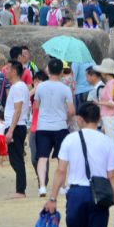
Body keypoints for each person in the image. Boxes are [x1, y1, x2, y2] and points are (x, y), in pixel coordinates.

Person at [44, 103, 114, 227]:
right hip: (100, 194)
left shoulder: (70, 139)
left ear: (80, 119)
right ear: (99, 119)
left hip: (76, 193)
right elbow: (113, 177)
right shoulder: (106, 141)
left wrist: (52, 198)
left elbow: (60, 171)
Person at [35, 58, 75, 196]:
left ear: (49, 70)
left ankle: (42, 186)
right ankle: (62, 186)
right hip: (60, 126)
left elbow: (36, 106)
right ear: (61, 71)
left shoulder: (40, 86)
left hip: (43, 127)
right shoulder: (65, 89)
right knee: (62, 158)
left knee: (42, 157)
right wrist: (65, 115)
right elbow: (71, 111)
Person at [2, 60, 31, 198]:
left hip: (16, 126)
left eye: (8, 69)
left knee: (16, 159)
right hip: (17, 125)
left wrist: (11, 130)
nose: (5, 71)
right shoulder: (19, 86)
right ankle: (20, 189)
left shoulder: (18, 87)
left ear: (14, 71)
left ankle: (20, 191)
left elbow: (18, 110)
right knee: (15, 158)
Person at [90, 59, 114, 142]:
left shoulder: (111, 84)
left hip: (110, 116)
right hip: (110, 116)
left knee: (112, 141)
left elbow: (112, 103)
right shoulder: (112, 83)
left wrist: (98, 102)